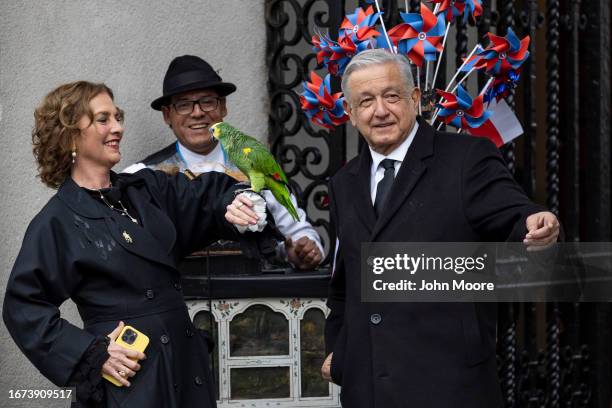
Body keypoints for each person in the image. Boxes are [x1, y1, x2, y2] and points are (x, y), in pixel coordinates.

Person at [320, 49, 561, 407]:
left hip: (447, 386)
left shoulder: (465, 159)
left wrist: (535, 222)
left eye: (391, 96)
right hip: (368, 389)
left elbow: (513, 213)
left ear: (415, 99)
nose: (380, 110)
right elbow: (343, 286)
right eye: (366, 101)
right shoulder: (343, 183)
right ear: (351, 114)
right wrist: (338, 353)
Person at [3, 81, 262, 408]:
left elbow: (206, 195)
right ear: (70, 135)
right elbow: (22, 306)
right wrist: (92, 353)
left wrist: (236, 202)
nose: (118, 127)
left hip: (185, 365)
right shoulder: (58, 220)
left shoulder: (146, 190)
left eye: (117, 116)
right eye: (103, 119)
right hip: (134, 382)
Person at [122, 55, 323, 269]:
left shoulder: (256, 166)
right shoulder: (143, 176)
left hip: (251, 296)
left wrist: (299, 250)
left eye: (207, 101)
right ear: (167, 115)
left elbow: (297, 233)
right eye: (184, 105)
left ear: (223, 107)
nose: (197, 113)